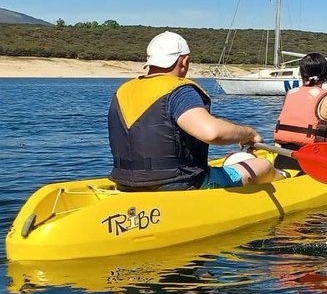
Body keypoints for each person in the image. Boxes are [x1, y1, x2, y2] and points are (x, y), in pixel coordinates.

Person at [108, 31, 283, 192]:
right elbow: (212, 133)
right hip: (182, 184)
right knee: (264, 166)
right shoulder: (179, 91)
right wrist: (249, 133)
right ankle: (288, 181)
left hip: (126, 184)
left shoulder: (123, 90)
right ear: (184, 61)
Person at [274, 52, 327, 149]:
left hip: (284, 156)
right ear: (325, 74)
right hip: (313, 158)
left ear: (302, 74)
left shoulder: (289, 94)